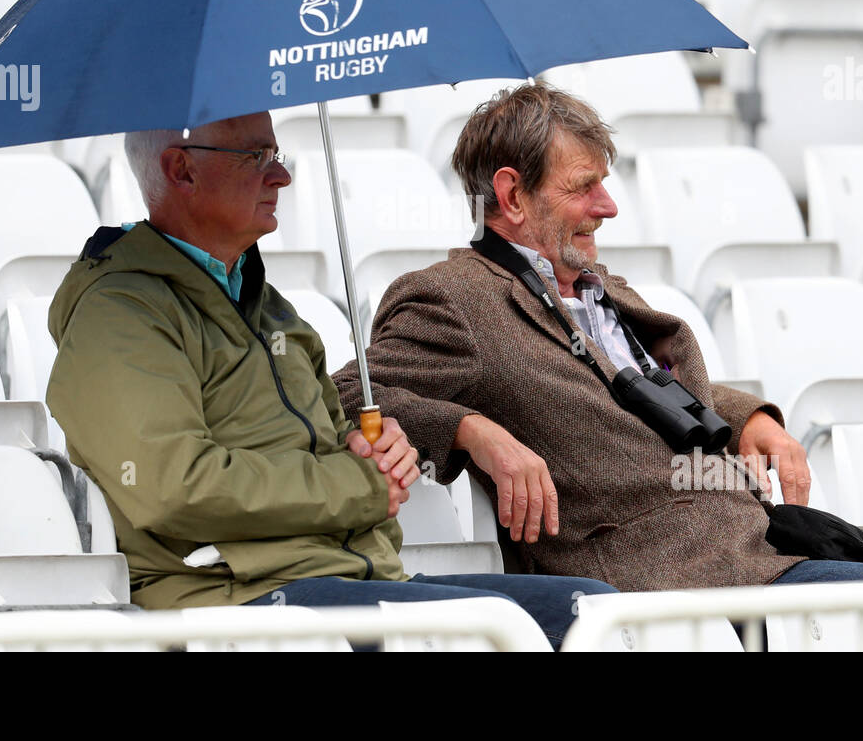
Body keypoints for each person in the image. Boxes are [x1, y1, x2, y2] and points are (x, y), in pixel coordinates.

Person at [332, 83, 863, 651]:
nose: (608, 206)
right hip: (669, 587)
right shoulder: (450, 297)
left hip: (755, 553)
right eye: (584, 186)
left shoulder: (596, 286)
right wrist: (471, 428)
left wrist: (746, 416)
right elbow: (343, 396)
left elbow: (639, 392)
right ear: (512, 194)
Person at [45, 111, 615, 649]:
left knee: (592, 612)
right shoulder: (118, 313)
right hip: (235, 598)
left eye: (278, 152)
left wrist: (379, 445)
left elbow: (336, 443)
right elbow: (172, 487)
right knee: (483, 635)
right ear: (181, 169)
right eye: (255, 156)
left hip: (347, 581)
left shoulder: (271, 311)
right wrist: (362, 485)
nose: (282, 174)